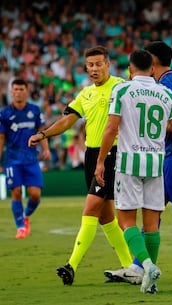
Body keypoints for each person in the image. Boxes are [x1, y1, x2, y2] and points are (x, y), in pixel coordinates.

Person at [104, 41, 172, 284]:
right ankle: (138, 267)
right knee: (152, 215)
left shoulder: (161, 86)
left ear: (152, 62)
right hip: (164, 159)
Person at [28, 45, 133, 285]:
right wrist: (43, 135)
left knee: (90, 210)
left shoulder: (121, 86)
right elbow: (67, 121)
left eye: (98, 64)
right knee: (106, 217)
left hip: (112, 154)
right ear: (86, 68)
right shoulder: (85, 94)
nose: (94, 69)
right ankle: (129, 266)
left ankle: (71, 265)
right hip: (91, 156)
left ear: (107, 64)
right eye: (90, 65)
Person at [94, 49, 172, 294]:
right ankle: (151, 282)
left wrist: (100, 161)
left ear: (130, 69)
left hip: (128, 163)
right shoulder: (165, 92)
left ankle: (147, 265)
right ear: (151, 68)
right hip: (156, 164)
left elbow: (111, 129)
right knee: (152, 225)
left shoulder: (122, 90)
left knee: (125, 220)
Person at [0, 78, 51, 239]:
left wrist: (46, 149)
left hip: (31, 159)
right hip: (12, 160)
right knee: (16, 192)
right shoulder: (4, 114)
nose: (19, 92)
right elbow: (1, 138)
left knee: (35, 195)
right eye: (16, 89)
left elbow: (42, 131)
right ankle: (20, 227)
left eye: (22, 89)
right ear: (11, 92)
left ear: (27, 91)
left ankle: (26, 216)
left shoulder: (35, 111)